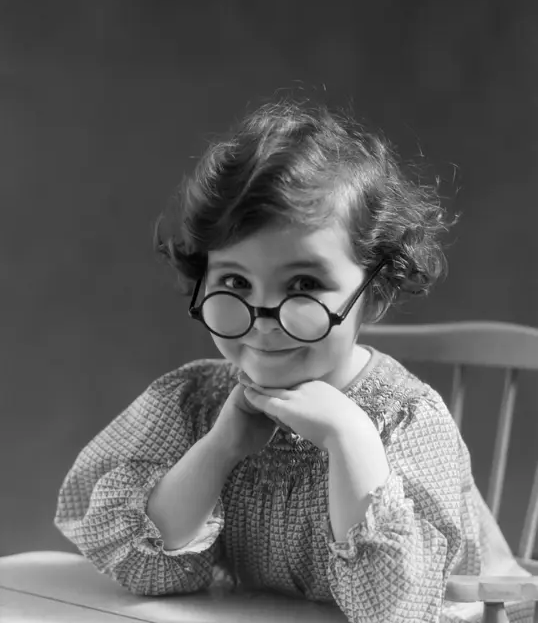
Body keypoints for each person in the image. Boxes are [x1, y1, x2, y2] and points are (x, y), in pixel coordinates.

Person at [55, 98, 533, 623]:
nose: (263, 320)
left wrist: (348, 437)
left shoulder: (405, 422)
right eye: (235, 282)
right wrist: (222, 446)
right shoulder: (195, 404)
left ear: (372, 296)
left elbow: (394, 609)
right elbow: (150, 573)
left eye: (304, 285)